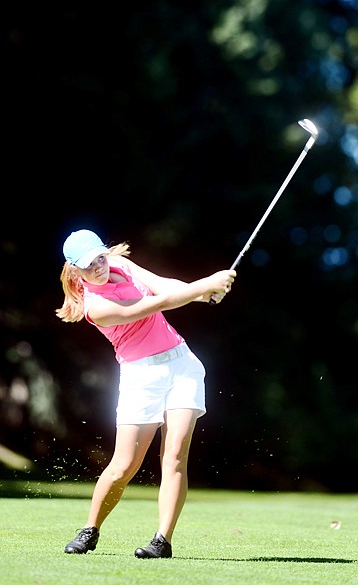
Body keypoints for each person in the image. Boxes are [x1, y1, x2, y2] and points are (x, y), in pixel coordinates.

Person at [56, 229, 236, 558]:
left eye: (99, 258)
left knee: (175, 458)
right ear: (75, 271)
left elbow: (162, 285)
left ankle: (162, 541)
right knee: (124, 465)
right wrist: (204, 285)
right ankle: (90, 529)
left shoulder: (117, 263)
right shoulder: (95, 307)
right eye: (89, 265)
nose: (99, 267)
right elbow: (153, 304)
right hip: (142, 376)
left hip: (183, 366)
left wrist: (200, 294)